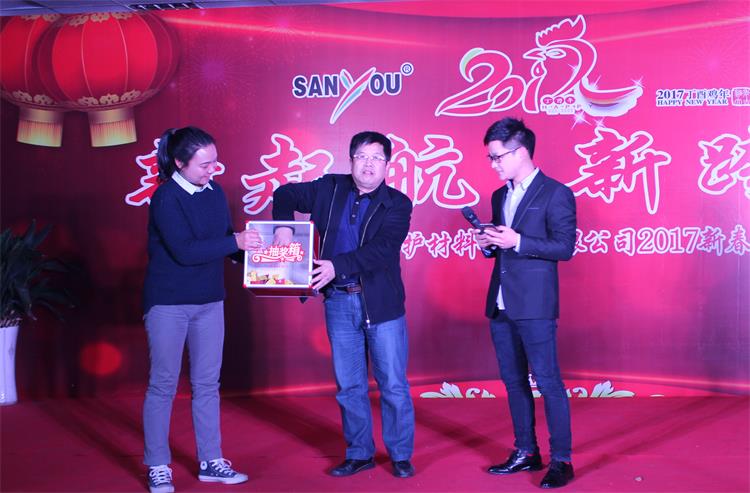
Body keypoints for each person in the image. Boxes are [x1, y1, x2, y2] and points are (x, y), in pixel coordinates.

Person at [271, 131, 416, 479]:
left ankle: (400, 455)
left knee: (393, 384)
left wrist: (337, 265)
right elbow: (284, 193)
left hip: (382, 303)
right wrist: (285, 227)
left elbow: (383, 249)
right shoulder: (329, 188)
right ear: (350, 160)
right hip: (338, 300)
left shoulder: (398, 204)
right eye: (362, 156)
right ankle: (359, 453)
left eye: (377, 158)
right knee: (349, 386)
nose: (369, 164)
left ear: (387, 164)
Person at [142, 126, 260, 493]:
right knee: (163, 384)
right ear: (180, 163)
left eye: (214, 163)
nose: (212, 170)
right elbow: (186, 251)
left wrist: (263, 256)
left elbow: (225, 244)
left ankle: (211, 460)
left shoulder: (215, 192)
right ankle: (158, 464)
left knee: (208, 384)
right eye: (204, 164)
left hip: (210, 301)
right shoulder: (165, 198)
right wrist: (235, 241)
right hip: (168, 303)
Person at [473, 117, 577, 489]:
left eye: (498, 157)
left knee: (548, 382)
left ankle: (561, 460)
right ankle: (525, 451)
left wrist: (517, 241)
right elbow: (501, 247)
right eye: (490, 158)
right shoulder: (499, 196)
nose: (493, 164)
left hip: (535, 305)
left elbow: (564, 247)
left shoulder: (556, 193)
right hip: (501, 303)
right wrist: (489, 244)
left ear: (521, 152)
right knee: (513, 382)